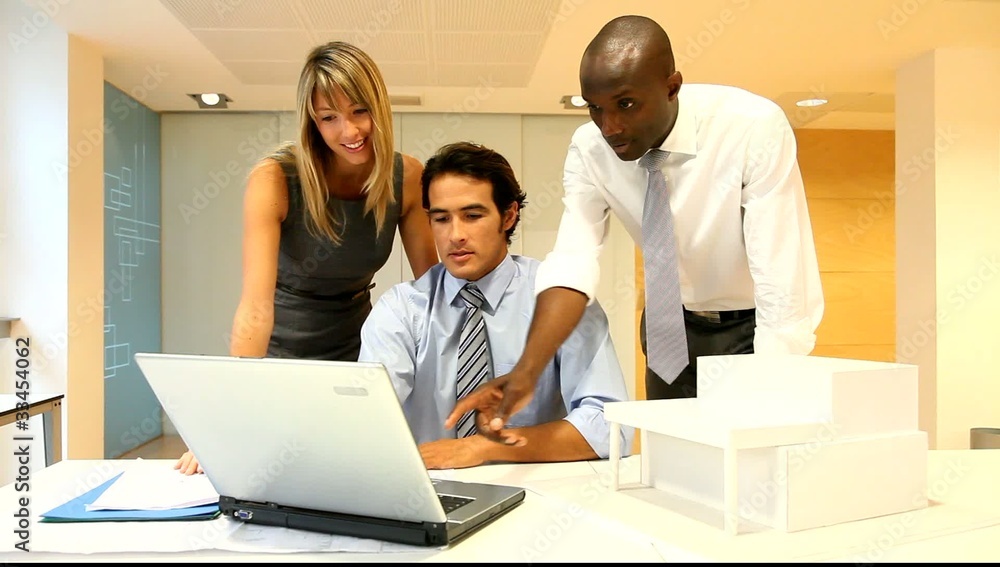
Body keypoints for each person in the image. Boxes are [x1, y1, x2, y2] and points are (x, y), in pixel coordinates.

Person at [449, 14, 824, 445]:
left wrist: (775, 382)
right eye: (595, 108)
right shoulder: (590, 149)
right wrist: (528, 370)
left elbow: (779, 274)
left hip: (751, 327)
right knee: (675, 465)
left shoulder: (750, 126)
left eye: (625, 104)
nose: (609, 127)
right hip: (667, 330)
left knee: (752, 466)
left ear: (671, 86)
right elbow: (574, 260)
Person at [175, 41, 438, 475]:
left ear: (380, 108)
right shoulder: (274, 179)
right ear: (312, 121)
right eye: (328, 118)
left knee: (350, 474)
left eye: (359, 111)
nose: (349, 131)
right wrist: (223, 422)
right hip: (280, 357)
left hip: (359, 354)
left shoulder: (406, 177)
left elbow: (433, 295)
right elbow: (255, 309)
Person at [357, 141, 633, 469]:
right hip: (432, 493)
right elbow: (367, 415)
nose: (455, 235)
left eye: (472, 216)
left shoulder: (560, 297)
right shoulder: (401, 310)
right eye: (441, 219)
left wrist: (484, 448)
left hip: (538, 492)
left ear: (508, 215)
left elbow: (609, 429)